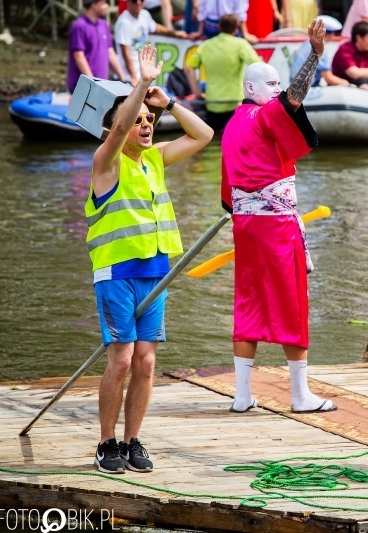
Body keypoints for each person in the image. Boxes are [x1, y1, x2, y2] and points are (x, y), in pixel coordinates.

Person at [85, 44, 214, 474]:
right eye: (138, 119)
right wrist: (140, 85)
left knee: (145, 360)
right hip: (117, 273)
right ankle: (106, 443)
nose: (145, 124)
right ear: (114, 129)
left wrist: (169, 102)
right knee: (121, 359)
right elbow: (121, 124)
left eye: (149, 120)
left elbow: (203, 135)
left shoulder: (155, 159)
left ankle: (131, 440)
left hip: (156, 273)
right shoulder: (106, 161)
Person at [221, 19, 337, 415]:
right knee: (292, 303)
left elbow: (227, 192)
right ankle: (300, 395)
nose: (277, 89)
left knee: (248, 303)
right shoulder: (264, 115)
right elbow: (294, 98)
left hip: (245, 226)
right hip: (276, 226)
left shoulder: (232, 125)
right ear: (250, 88)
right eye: (270, 84)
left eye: (277, 83)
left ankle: (241, 396)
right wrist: (315, 55)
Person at [185, 13, 260, 130]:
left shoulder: (206, 45)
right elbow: (258, 65)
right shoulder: (241, 44)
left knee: (214, 137)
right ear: (236, 29)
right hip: (235, 103)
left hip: (213, 104)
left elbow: (189, 68)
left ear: (219, 27)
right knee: (234, 138)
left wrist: (197, 92)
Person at [115, 0, 188, 87]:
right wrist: (133, 77)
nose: (138, 2)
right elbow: (126, 54)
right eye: (134, 0)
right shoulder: (123, 23)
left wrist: (174, 33)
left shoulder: (144, 14)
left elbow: (156, 28)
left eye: (142, 0)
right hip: (128, 78)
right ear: (128, 2)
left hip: (141, 75)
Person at [67, 0, 127, 92]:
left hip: (101, 83)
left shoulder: (104, 25)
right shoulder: (79, 26)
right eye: (103, 3)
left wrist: (123, 78)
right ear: (94, 5)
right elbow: (79, 55)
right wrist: (93, 82)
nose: (107, 6)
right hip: (83, 85)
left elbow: (110, 52)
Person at [289, 15, 350, 87]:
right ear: (330, 34)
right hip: (308, 89)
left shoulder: (307, 43)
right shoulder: (321, 48)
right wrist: (348, 83)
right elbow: (329, 79)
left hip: (294, 86)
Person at [190, 0, 265, 43]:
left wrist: (245, 33)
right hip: (210, 26)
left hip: (230, 25)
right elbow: (202, 8)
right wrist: (200, 31)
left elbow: (240, 10)